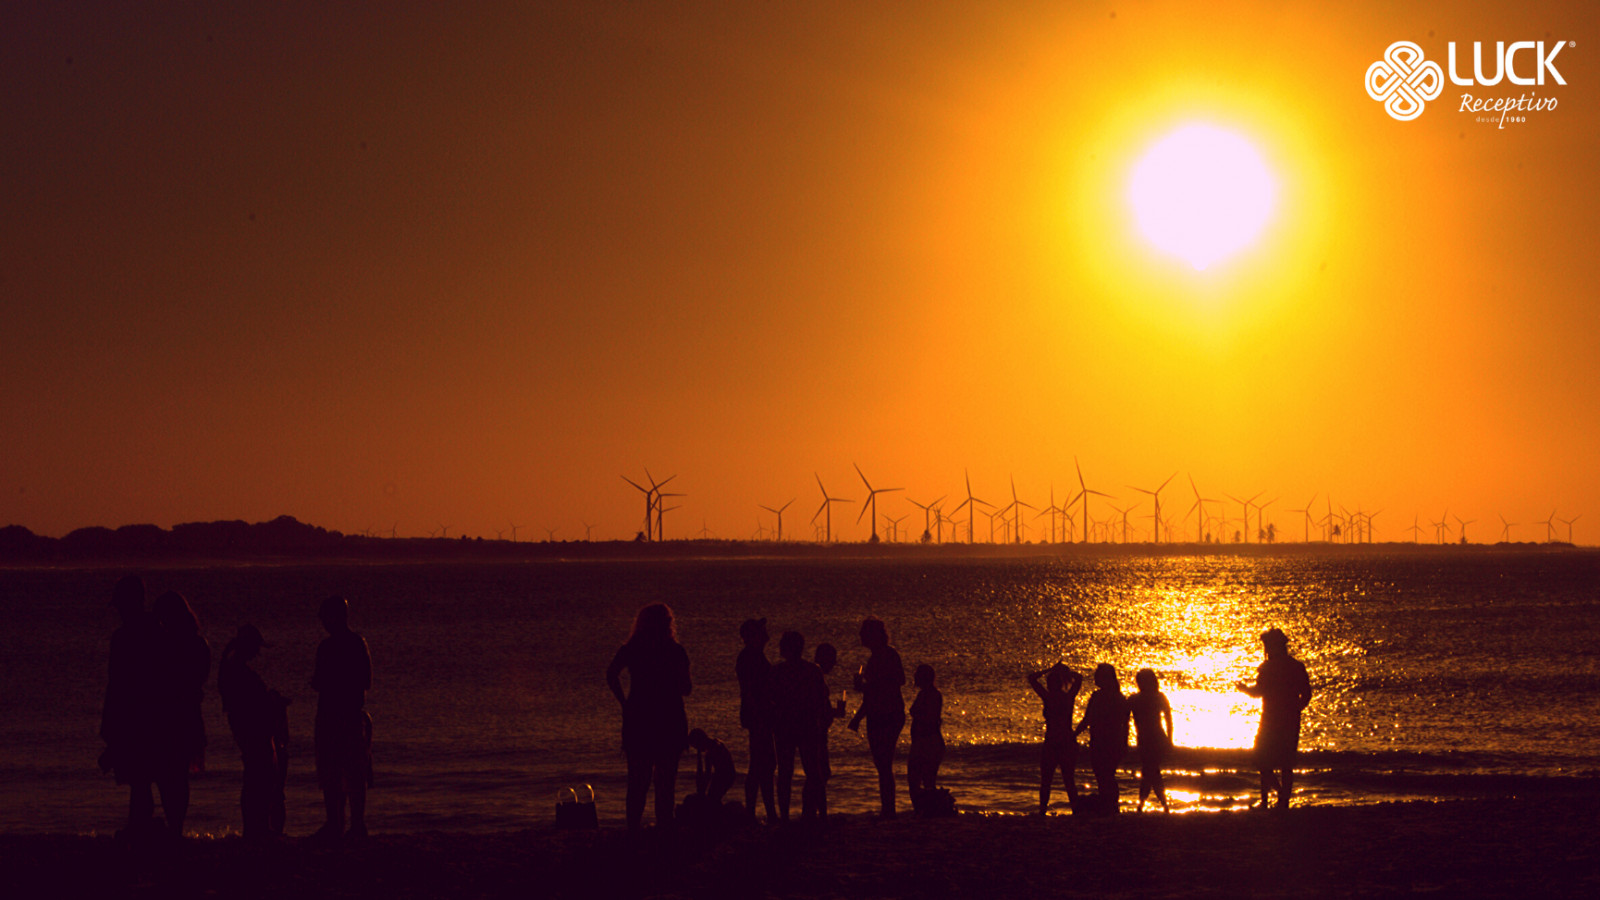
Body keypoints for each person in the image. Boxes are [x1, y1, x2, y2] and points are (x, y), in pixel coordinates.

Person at [607, 603, 692, 831]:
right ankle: (664, 827)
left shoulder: (632, 648)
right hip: (669, 718)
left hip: (639, 717)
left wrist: (624, 702)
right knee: (665, 782)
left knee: (637, 780)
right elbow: (686, 688)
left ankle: (632, 828)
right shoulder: (675, 650)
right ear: (668, 624)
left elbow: (611, 674)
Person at [100, 575, 170, 841]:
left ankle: (141, 826)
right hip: (151, 713)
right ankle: (145, 825)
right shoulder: (158, 631)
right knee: (144, 776)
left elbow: (118, 683)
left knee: (139, 776)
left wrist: (112, 723)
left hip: (136, 714)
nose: (119, 612)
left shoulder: (126, 637)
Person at [218, 624, 291, 841]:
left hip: (247, 729)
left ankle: (256, 826)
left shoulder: (231, 669)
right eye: (256, 647)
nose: (258, 652)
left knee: (255, 775)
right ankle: (258, 827)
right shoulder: (240, 673)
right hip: (254, 730)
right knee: (260, 776)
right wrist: (272, 701)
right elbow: (251, 704)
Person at [312, 595, 372, 841]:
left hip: (336, 715)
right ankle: (348, 824)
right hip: (343, 714)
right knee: (345, 772)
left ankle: (341, 823)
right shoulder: (356, 643)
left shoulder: (329, 647)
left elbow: (321, 681)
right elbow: (365, 680)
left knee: (340, 772)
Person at [151, 591, 209, 838]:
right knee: (178, 773)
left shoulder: (165, 644)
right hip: (188, 714)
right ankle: (176, 826)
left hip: (171, 715)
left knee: (168, 774)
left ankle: (174, 825)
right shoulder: (198, 644)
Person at [1237, 627, 1313, 810]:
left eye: (1267, 646)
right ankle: (1282, 799)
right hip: (1290, 720)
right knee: (1285, 763)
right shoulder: (1296, 666)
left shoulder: (1268, 668)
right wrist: (1296, 709)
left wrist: (1244, 689)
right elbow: (1307, 694)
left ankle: (1270, 799)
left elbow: (1259, 691)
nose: (1266, 650)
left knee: (1262, 760)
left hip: (1271, 719)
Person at [848, 616, 905, 818]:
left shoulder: (886, 655)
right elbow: (873, 693)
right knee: (882, 763)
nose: (861, 636)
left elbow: (897, 681)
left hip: (886, 713)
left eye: (864, 632)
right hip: (884, 712)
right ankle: (887, 807)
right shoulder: (879, 657)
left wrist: (868, 686)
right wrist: (858, 716)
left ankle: (888, 809)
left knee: (883, 762)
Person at [770, 630, 829, 821]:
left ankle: (785, 815)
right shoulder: (813, 671)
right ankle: (821, 814)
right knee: (813, 770)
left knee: (786, 772)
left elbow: (772, 699)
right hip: (807, 724)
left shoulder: (778, 672)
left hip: (786, 725)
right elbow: (822, 699)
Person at [735, 618, 777, 824]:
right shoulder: (750, 658)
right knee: (763, 764)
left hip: (760, 715)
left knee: (763, 763)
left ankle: (762, 812)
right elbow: (751, 690)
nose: (767, 636)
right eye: (762, 632)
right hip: (758, 716)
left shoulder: (753, 656)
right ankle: (762, 812)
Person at [1027, 662, 1082, 814]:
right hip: (1065, 741)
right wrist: (1064, 672)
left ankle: (1043, 811)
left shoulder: (1049, 697)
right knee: (1068, 780)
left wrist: (1050, 669)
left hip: (1054, 741)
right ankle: (1075, 811)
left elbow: (1031, 678)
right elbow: (1079, 679)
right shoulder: (1068, 698)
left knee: (1047, 780)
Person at [1075, 663, 1129, 815]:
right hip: (1098, 741)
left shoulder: (1118, 698)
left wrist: (1124, 744)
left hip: (1111, 742)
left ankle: (1112, 806)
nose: (1095, 679)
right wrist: (1074, 734)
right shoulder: (1096, 696)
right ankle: (1108, 805)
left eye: (1098, 676)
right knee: (1101, 775)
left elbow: (1125, 724)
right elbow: (1087, 719)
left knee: (1107, 775)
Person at [1128, 668, 1174, 813]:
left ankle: (1145, 804)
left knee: (1149, 770)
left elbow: (1168, 720)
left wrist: (1169, 738)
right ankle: (1161, 804)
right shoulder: (1155, 697)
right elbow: (1169, 720)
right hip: (1152, 738)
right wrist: (1170, 739)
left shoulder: (1136, 699)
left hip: (1151, 738)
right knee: (1151, 771)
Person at [813, 642, 844, 819]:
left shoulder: (817, 677)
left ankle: (814, 812)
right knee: (821, 772)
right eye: (831, 660)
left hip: (819, 730)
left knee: (819, 772)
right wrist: (834, 713)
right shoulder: (817, 677)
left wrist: (832, 713)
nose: (833, 664)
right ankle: (819, 813)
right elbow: (817, 707)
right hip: (817, 732)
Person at [907, 664, 944, 803]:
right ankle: (924, 807)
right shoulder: (928, 693)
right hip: (926, 741)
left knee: (919, 779)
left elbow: (928, 717)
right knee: (924, 779)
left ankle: (925, 808)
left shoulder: (930, 694)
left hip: (927, 741)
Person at [687, 728, 736, 806]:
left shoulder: (713, 748)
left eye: (696, 746)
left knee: (712, 799)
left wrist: (702, 790)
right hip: (725, 775)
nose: (697, 749)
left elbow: (708, 773)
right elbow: (707, 773)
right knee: (713, 798)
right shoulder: (713, 745)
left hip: (725, 776)